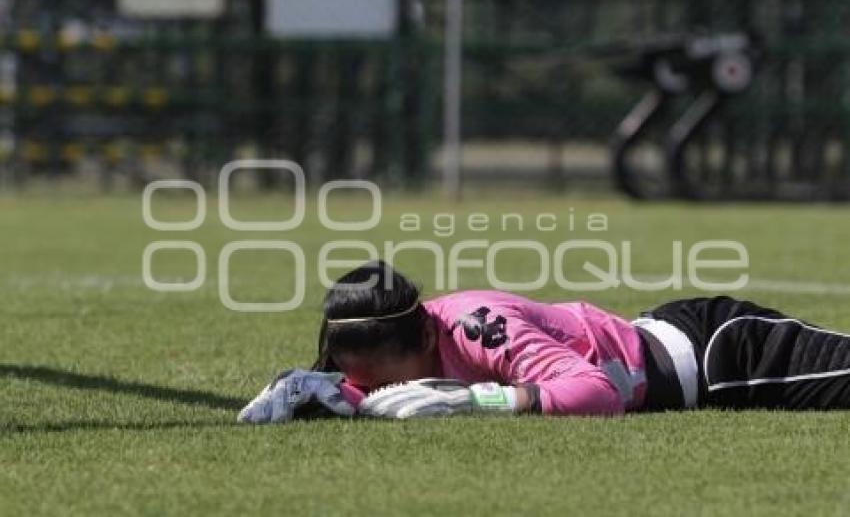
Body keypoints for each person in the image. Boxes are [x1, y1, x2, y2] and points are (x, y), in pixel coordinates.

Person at [237, 260, 850, 423]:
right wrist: (317, 392)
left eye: (393, 378)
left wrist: (480, 401)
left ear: (427, 329)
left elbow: (599, 391)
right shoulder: (387, 347)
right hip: (681, 349)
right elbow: (367, 390)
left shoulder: (479, 326)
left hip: (724, 356)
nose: (389, 394)